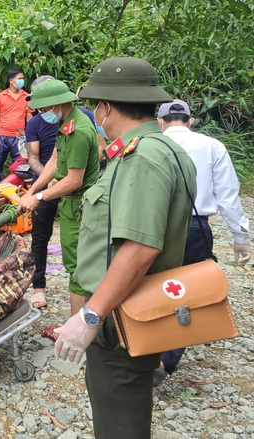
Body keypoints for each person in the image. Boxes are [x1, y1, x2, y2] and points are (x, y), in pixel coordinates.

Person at [52, 56, 197, 439]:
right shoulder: (165, 150)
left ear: (107, 107)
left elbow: (139, 248)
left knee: (119, 423)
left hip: (121, 322)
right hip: (133, 313)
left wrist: (89, 317)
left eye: (97, 105)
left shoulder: (142, 158)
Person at [154, 98, 251, 383]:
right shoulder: (212, 146)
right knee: (187, 293)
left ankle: (143, 347)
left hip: (154, 227)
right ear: (190, 120)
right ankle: (164, 358)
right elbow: (228, 195)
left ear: (160, 122)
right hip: (195, 227)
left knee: (152, 287)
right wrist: (241, 237)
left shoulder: (152, 144)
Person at [17, 79, 99, 318]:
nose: (42, 115)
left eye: (44, 109)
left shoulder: (80, 131)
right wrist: (32, 192)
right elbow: (53, 161)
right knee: (64, 254)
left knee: (77, 267)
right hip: (66, 200)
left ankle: (78, 327)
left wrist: (40, 196)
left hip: (78, 203)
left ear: (59, 105)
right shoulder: (67, 124)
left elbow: (74, 180)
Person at [0, 67, 33, 182]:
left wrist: (30, 136)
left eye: (22, 78)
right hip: (1, 136)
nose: (22, 81)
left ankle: (17, 187)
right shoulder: (0, 96)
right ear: (11, 80)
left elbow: (29, 118)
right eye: (19, 78)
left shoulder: (27, 97)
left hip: (19, 137)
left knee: (20, 165)